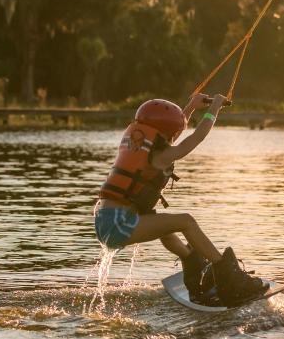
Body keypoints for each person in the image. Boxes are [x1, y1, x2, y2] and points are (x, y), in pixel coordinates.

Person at [94, 93, 268, 307]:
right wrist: (214, 108)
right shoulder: (160, 156)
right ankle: (229, 277)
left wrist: (191, 107)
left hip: (107, 220)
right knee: (185, 221)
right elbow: (196, 138)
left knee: (165, 227)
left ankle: (193, 265)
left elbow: (171, 131)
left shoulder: (142, 146)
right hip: (119, 224)